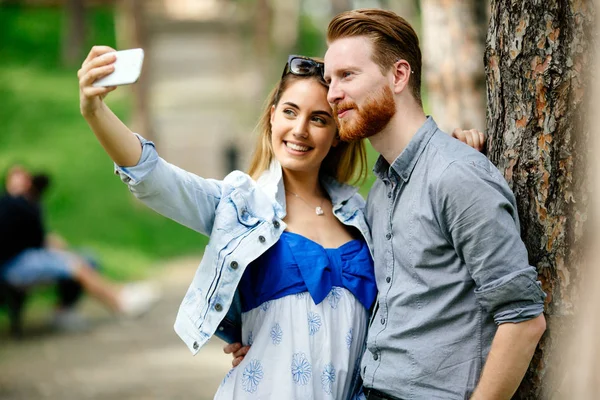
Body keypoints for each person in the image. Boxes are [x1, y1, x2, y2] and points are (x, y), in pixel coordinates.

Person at [78, 46, 483, 398]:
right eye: (290, 112)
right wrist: (94, 109)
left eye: (320, 119)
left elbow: (428, 260)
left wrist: (451, 153)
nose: (300, 130)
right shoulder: (239, 204)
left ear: (337, 133)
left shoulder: (366, 214)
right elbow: (152, 176)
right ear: (273, 117)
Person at [321, 8, 546, 400]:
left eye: (347, 76)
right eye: (328, 80)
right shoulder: (381, 193)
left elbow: (524, 320)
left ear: (399, 76)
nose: (332, 93)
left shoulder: (456, 175)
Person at [0, 165, 160, 331]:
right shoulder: (9, 204)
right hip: (12, 264)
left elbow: (36, 236)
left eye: (25, 177)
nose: (22, 181)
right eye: (16, 177)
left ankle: (67, 309)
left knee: (87, 258)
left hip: (30, 257)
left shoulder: (29, 205)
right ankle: (120, 302)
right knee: (72, 264)